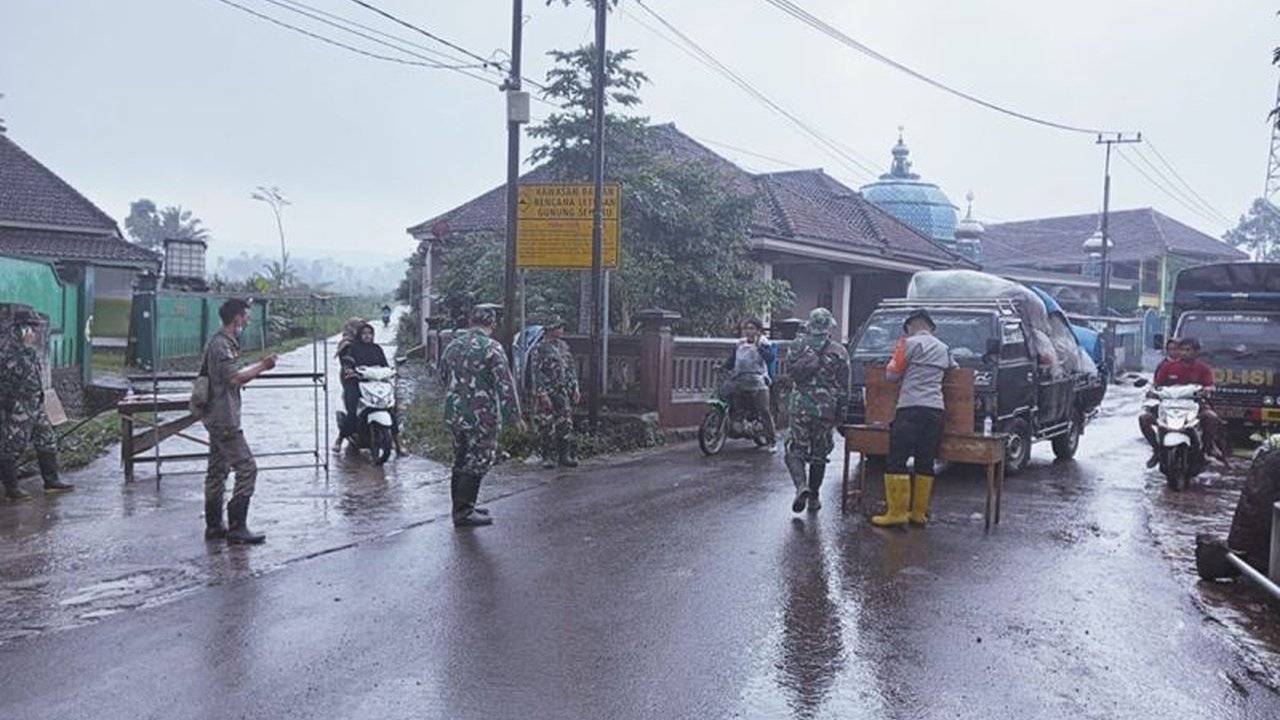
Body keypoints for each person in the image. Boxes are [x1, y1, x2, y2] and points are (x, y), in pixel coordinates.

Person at [201, 299, 277, 544]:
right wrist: (263, 366)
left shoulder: (221, 342)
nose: (248, 320)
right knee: (247, 468)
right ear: (236, 318)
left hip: (217, 415)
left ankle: (214, 526)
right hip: (224, 418)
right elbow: (234, 378)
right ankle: (237, 527)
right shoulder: (221, 345)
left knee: (217, 470)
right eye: (246, 316)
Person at [440, 305, 524, 527]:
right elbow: (505, 384)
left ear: (471, 322)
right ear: (493, 324)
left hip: (455, 413)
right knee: (479, 459)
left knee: (460, 458)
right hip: (481, 415)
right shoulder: (492, 348)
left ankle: (460, 507)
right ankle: (464, 511)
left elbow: (442, 375)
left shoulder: (453, 345)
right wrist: (515, 416)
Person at [872, 308, 957, 527]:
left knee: (897, 459)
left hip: (910, 408)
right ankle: (918, 513)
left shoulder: (908, 344)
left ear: (911, 325)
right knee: (925, 460)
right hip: (936, 410)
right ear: (930, 326)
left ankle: (897, 513)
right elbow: (954, 369)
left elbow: (892, 375)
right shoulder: (944, 348)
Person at [0, 308, 74, 500]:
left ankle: (51, 480)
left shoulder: (29, 352)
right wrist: (7, 403)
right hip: (18, 405)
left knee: (46, 438)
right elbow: (5, 382)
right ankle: (11, 490)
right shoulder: (9, 352)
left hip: (35, 403)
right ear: (22, 329)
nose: (35, 333)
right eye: (32, 328)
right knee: (12, 445)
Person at [784, 307, 850, 514]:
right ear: (829, 326)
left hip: (799, 406)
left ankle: (800, 486)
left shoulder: (796, 346)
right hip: (825, 409)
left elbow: (790, 373)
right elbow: (844, 386)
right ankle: (814, 497)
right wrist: (842, 414)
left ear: (810, 325)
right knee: (819, 453)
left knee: (795, 448)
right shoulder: (839, 351)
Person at [1139, 336, 1225, 467]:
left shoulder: (1203, 369)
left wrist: (1207, 390)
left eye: (1188, 350)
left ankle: (1206, 449)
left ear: (1196, 352)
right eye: (1182, 350)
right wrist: (1152, 391)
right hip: (1168, 405)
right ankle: (1156, 450)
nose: (1184, 353)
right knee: (1144, 418)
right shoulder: (1167, 367)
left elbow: (1210, 385)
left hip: (1194, 405)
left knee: (1211, 418)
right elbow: (1157, 384)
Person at [337, 321, 407, 457]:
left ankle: (398, 442)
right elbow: (348, 361)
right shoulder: (352, 348)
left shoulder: (377, 348)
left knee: (390, 409)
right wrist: (349, 369)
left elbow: (384, 365)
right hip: (356, 382)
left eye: (370, 333)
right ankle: (340, 439)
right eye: (364, 333)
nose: (367, 336)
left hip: (375, 383)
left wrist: (393, 371)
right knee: (352, 412)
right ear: (359, 335)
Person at [721, 317, 778, 451]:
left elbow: (770, 358)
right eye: (746, 328)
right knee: (733, 403)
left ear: (758, 330)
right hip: (740, 379)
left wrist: (758, 346)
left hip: (758, 381)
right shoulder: (740, 344)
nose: (748, 331)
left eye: (751, 328)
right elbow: (732, 360)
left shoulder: (764, 343)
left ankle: (772, 441)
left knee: (764, 411)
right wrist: (722, 367)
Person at [531, 315, 580, 469]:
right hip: (548, 391)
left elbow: (571, 367)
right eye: (558, 327)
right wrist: (541, 393)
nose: (561, 330)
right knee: (546, 424)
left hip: (562, 390)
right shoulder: (540, 348)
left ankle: (564, 456)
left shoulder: (563, 346)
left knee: (565, 423)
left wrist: (575, 387)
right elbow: (536, 372)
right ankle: (546, 456)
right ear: (550, 329)